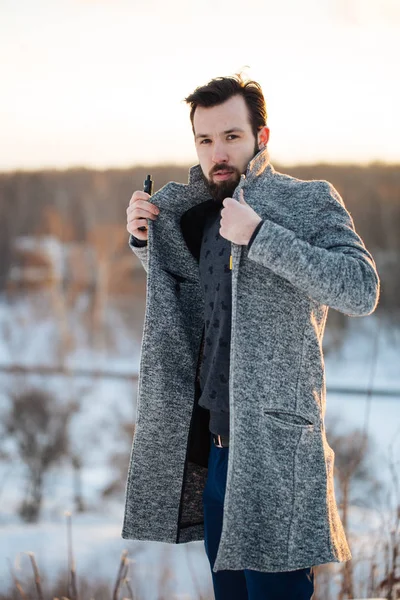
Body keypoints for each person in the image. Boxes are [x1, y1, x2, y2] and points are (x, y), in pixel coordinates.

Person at [123, 74, 380, 600]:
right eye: (205, 139)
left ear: (262, 137)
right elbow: (196, 301)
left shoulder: (308, 201)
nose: (217, 152)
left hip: (277, 455)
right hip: (218, 451)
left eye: (231, 137)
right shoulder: (199, 214)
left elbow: (361, 288)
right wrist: (143, 239)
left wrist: (263, 236)